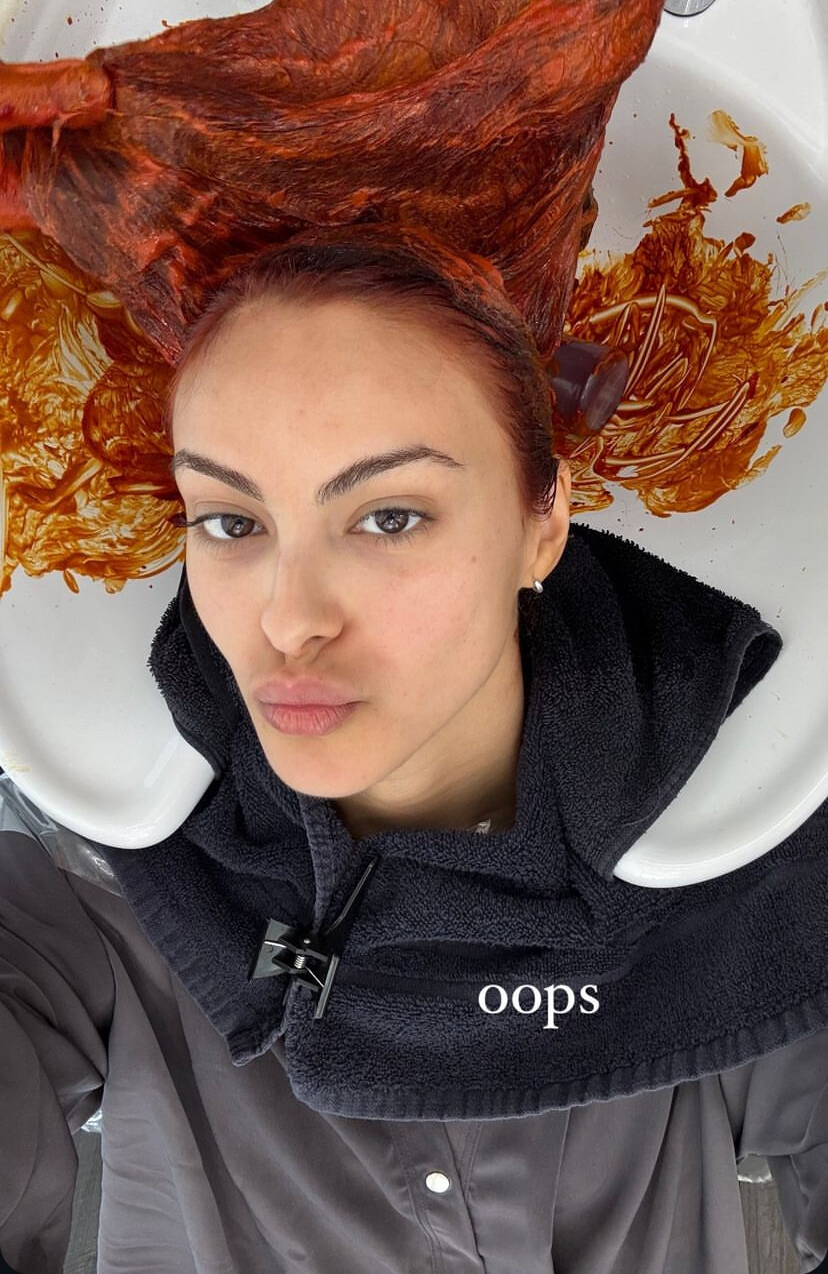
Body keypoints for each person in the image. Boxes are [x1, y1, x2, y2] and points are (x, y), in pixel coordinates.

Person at [1, 230, 827, 1274]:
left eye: (388, 516)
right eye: (231, 522)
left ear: (542, 520)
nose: (290, 619)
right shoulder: (98, 868)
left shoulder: (750, 855)